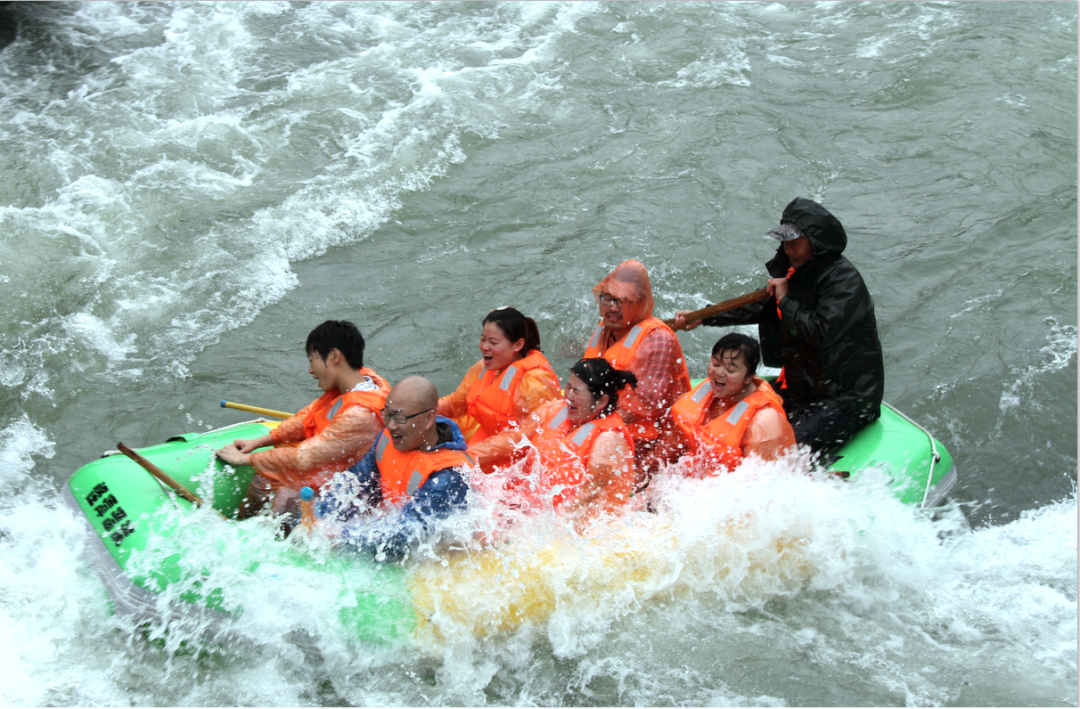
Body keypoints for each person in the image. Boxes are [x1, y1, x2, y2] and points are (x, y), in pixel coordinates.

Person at [673, 197, 884, 453]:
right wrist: (703, 316)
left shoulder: (845, 282)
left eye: (795, 243)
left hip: (844, 399)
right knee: (728, 413)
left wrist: (785, 300)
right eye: (785, 243)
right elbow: (757, 305)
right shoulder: (794, 271)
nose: (788, 250)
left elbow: (820, 332)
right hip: (800, 388)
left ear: (815, 243)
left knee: (783, 449)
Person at [215, 320, 390, 519]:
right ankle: (243, 525)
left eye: (311, 360)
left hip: (352, 493)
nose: (310, 370)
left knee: (284, 495)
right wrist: (260, 442)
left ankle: (265, 540)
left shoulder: (360, 415)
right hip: (332, 468)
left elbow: (303, 457)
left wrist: (246, 459)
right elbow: (308, 417)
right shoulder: (362, 379)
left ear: (334, 357)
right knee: (265, 478)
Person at [317, 376, 474, 562]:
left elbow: (406, 537)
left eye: (399, 418)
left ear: (429, 418)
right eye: (388, 415)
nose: (390, 426)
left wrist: (342, 536)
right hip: (392, 527)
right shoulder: (386, 440)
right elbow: (356, 484)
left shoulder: (449, 475)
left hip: (432, 557)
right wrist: (322, 516)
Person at [584, 260, 691, 485]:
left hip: (652, 440)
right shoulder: (604, 328)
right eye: (608, 299)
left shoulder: (658, 339)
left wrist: (587, 426)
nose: (613, 307)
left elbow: (643, 406)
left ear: (639, 303)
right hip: (610, 426)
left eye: (623, 301)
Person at [506, 358, 637, 524]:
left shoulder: (608, 441)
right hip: (538, 513)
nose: (568, 396)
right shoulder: (556, 410)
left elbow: (582, 506)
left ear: (601, 401)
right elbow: (516, 441)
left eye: (577, 391)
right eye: (568, 387)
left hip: (590, 532)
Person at [437, 307, 561, 472]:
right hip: (489, 439)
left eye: (493, 343)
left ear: (518, 344)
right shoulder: (485, 366)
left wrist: (471, 456)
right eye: (483, 339)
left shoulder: (534, 383)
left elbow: (527, 439)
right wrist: (416, 414)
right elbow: (457, 403)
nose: (484, 347)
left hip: (519, 460)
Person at [663, 333, 796, 476]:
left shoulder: (764, 422)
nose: (719, 373)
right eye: (715, 364)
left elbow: (762, 487)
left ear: (749, 378)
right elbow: (669, 445)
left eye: (730, 370)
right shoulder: (707, 390)